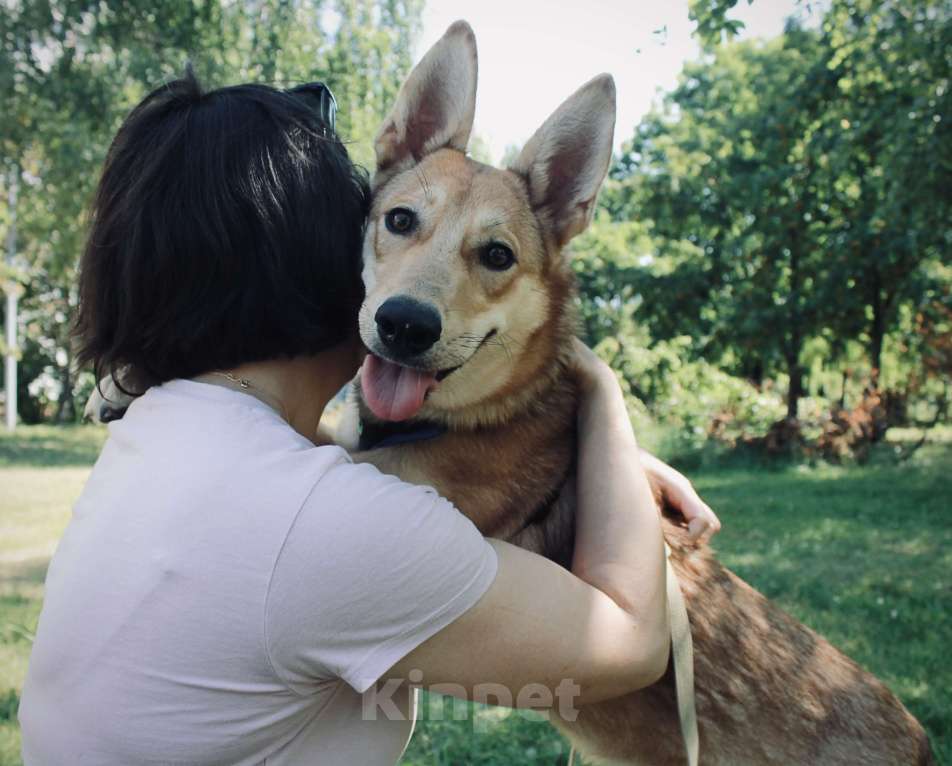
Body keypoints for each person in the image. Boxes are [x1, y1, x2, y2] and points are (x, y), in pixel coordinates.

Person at [19, 71, 719, 765]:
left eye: (491, 255)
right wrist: (599, 389)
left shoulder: (159, 417)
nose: (413, 294)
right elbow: (630, 643)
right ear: (322, 262)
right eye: (395, 224)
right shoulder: (340, 523)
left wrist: (587, 450)